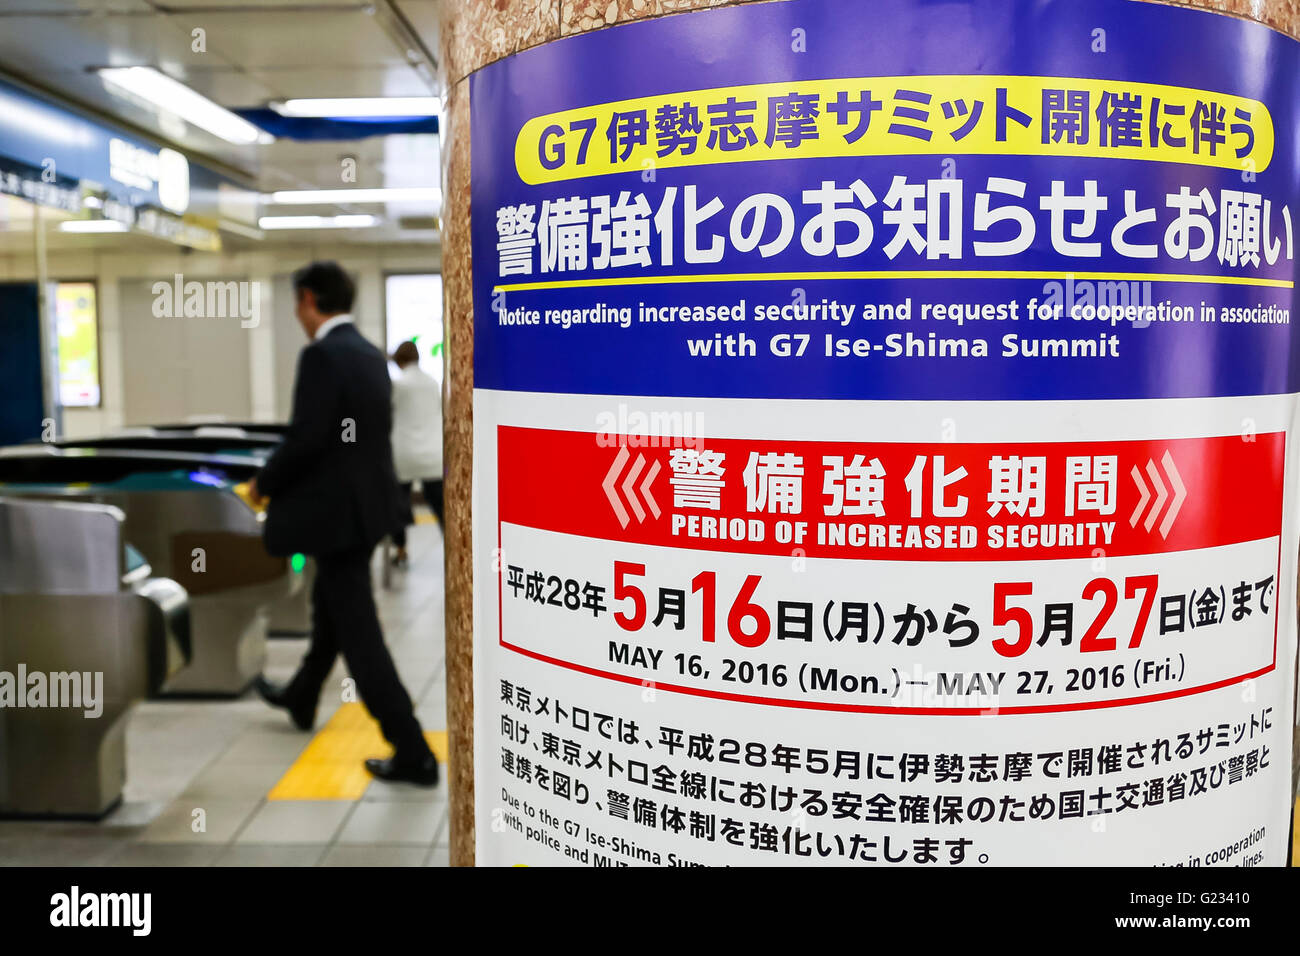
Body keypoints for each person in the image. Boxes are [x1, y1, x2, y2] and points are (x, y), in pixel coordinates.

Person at [248, 261, 438, 786]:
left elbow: (306, 440)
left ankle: (413, 748)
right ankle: (302, 696)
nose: (298, 315)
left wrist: (265, 482)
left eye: (297, 304)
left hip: (335, 518)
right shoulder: (371, 355)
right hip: (369, 511)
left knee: (361, 637)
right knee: (329, 609)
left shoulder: (322, 357)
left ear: (309, 299)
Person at [389, 339, 444, 568]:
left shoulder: (399, 386)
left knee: (397, 506)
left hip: (404, 454)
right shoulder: (432, 383)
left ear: (400, 361)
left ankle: (401, 550)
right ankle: (450, 547)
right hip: (433, 454)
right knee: (440, 506)